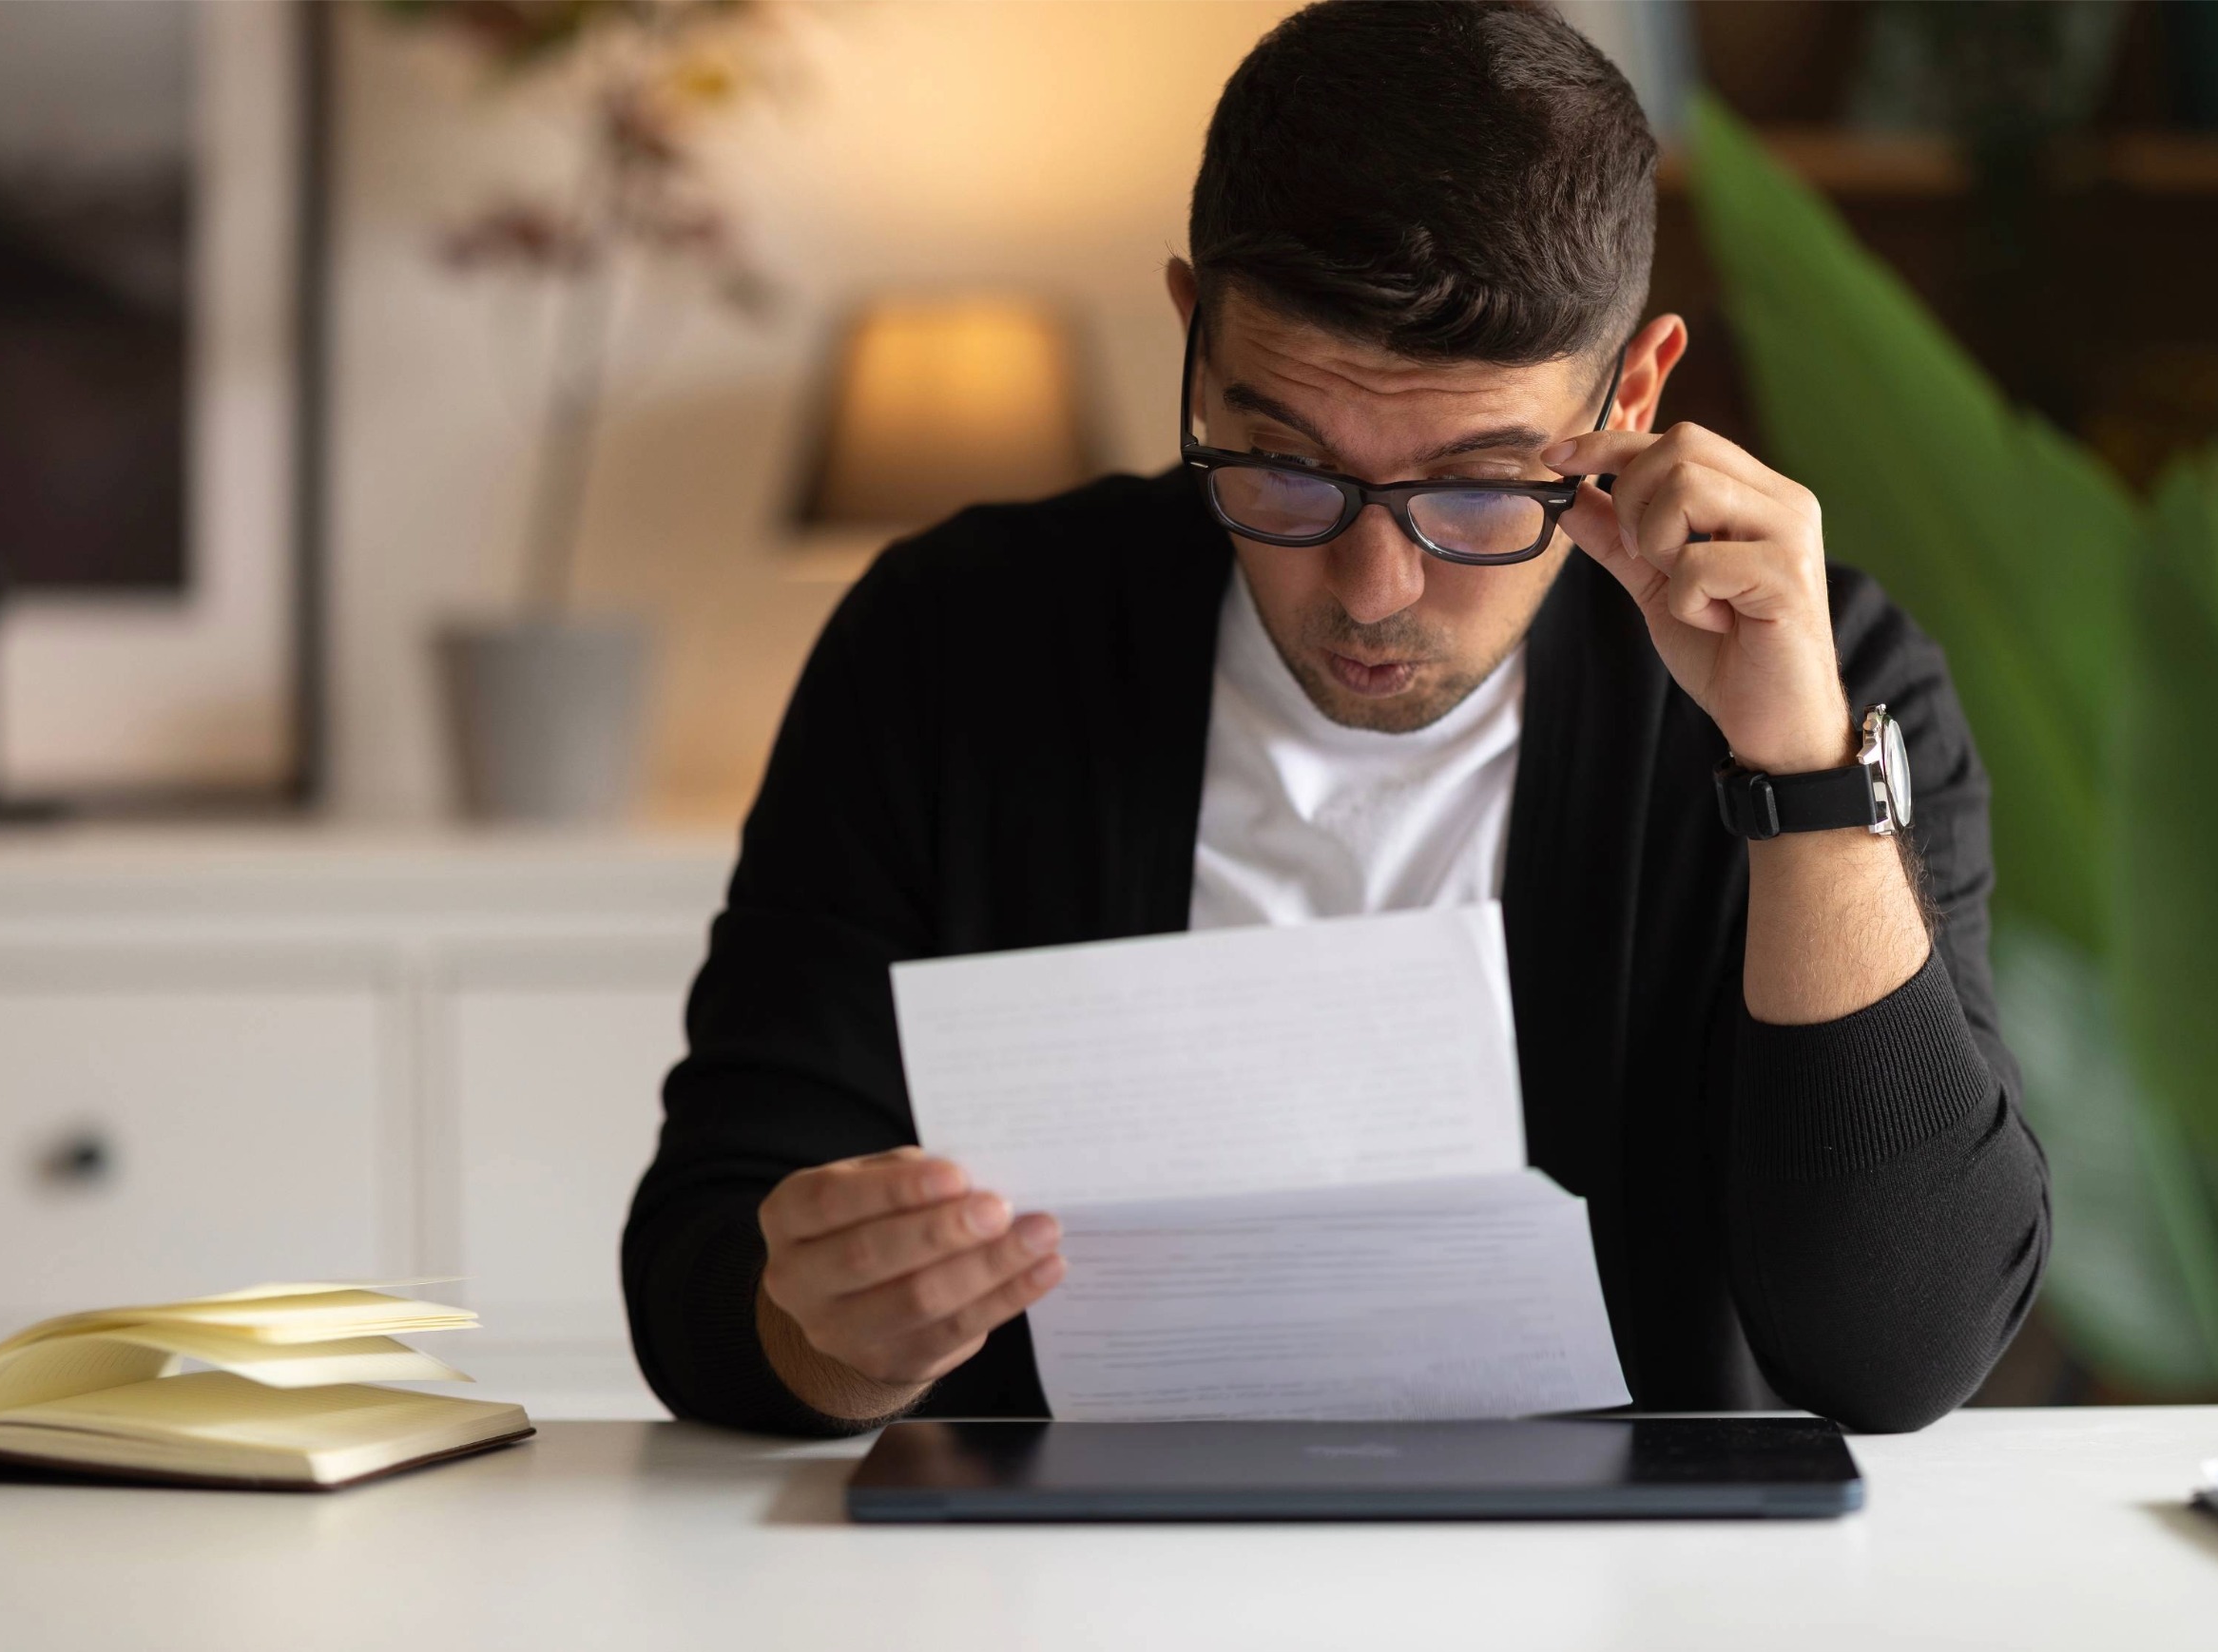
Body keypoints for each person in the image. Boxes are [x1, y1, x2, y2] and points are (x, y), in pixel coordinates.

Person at [625, 0, 2047, 1436]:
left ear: (1635, 391)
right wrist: (827, 1338)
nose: (1374, 588)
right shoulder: (953, 646)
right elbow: (703, 1261)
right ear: (1194, 343)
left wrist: (1800, 784)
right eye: (1286, 468)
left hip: (1625, 1625)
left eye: (1483, 486)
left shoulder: (1825, 680)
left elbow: (1900, 1352)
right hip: (1059, 1609)